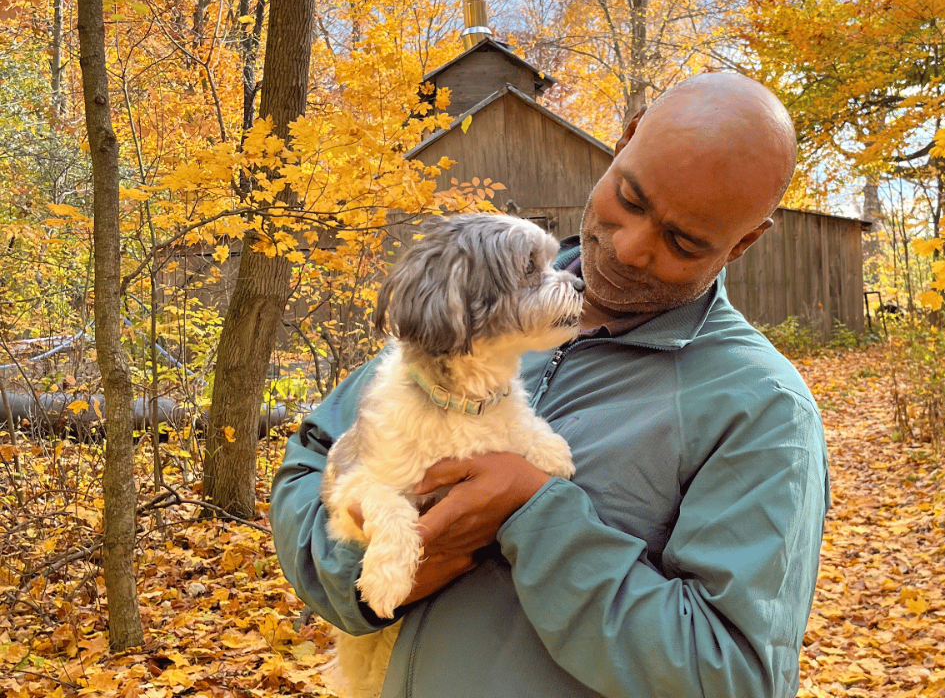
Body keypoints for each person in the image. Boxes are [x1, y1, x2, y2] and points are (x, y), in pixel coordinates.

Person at [270, 72, 830, 698]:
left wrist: (536, 515)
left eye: (682, 242)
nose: (630, 247)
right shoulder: (473, 297)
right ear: (626, 138)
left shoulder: (761, 409)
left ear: (743, 243)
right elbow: (312, 459)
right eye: (632, 199)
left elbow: (734, 676)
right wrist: (364, 577)